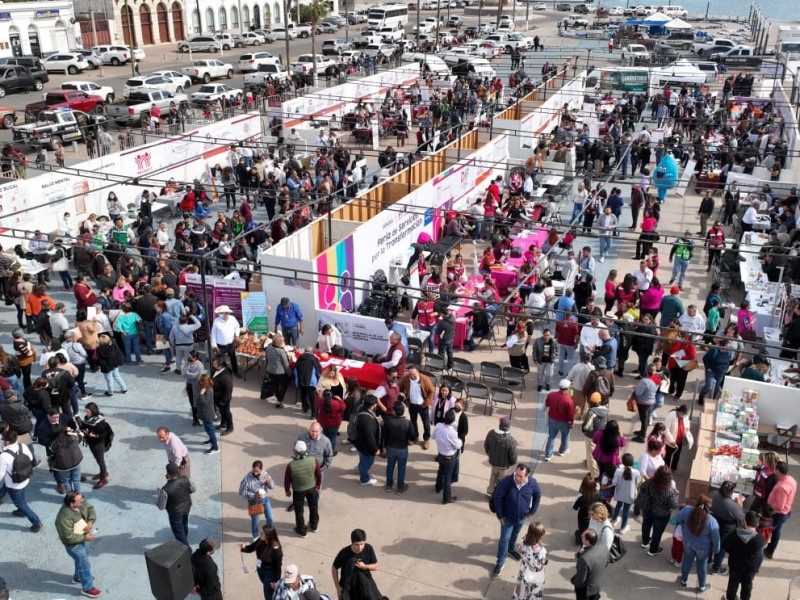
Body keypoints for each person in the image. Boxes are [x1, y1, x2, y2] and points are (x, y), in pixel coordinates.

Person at [491, 464, 542, 578]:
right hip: (507, 518)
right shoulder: (507, 481)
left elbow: (538, 495)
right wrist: (500, 515)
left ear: (526, 475)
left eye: (520, 476)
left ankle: (510, 549)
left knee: (515, 534)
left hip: (521, 518)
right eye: (516, 474)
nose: (517, 478)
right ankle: (500, 562)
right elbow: (497, 497)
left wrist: (532, 510)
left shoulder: (532, 483)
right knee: (504, 539)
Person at [55, 492, 103, 598]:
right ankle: (87, 588)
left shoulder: (80, 503)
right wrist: (85, 537)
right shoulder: (63, 518)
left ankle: (78, 577)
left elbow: (90, 508)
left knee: (82, 559)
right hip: (74, 545)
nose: (82, 500)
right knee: (84, 564)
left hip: (82, 538)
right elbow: (68, 538)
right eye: (79, 500)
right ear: (72, 504)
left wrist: (90, 522)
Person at [674, 494, 720, 593]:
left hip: (687, 541)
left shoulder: (687, 510)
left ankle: (683, 581)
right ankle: (702, 586)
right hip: (703, 547)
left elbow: (675, 519)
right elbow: (716, 538)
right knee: (702, 565)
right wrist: (716, 549)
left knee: (687, 560)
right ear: (709, 506)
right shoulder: (712, 521)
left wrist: (683, 525)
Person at [0, 430, 43, 533]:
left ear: (6, 442)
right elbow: (31, 458)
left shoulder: (3, 456)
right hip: (24, 478)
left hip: (13, 484)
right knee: (21, 497)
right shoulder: (22, 446)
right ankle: (20, 511)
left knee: (21, 503)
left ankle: (36, 522)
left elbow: (0, 474)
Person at [722, 510, 765, 600]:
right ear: (757, 525)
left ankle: (730, 598)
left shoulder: (734, 534)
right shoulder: (760, 539)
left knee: (733, 583)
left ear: (745, 521)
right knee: (747, 585)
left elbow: (726, 546)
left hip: (735, 565)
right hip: (750, 568)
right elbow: (760, 555)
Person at [283, 440, 321, 537]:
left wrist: (287, 490)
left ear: (294, 451)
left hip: (298, 491)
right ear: (306, 450)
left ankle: (302, 530)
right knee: (314, 507)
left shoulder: (291, 465)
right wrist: (318, 484)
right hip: (312, 488)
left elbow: (287, 480)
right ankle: (314, 526)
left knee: (299, 511)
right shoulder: (313, 460)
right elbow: (319, 474)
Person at [639, 466, 679, 556]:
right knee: (657, 532)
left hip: (649, 509)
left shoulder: (651, 482)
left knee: (646, 525)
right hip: (662, 515)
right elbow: (673, 505)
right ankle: (653, 550)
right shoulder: (670, 491)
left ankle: (645, 542)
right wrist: (676, 494)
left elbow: (642, 488)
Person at [331, 529, 381, 600]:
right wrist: (337, 586)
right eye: (357, 545)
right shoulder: (344, 553)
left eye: (362, 544)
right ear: (352, 543)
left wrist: (364, 566)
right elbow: (334, 567)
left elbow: (375, 567)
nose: (360, 547)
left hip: (364, 586)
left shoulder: (368, 548)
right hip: (348, 588)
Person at [710, 480, 745, 574]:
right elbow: (741, 519)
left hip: (712, 525)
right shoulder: (734, 507)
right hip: (725, 531)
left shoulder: (713, 495)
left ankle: (709, 559)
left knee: (711, 543)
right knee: (721, 549)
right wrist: (740, 506)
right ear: (731, 492)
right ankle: (716, 568)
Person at [764, 461, 797, 559]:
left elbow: (779, 506)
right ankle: (770, 549)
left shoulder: (782, 487)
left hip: (778, 514)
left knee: (766, 531)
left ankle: (765, 550)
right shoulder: (791, 479)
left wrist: (770, 511)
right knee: (777, 531)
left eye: (776, 469)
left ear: (779, 471)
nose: (774, 471)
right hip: (785, 511)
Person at [240, 526, 282, 600]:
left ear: (268, 535)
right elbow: (251, 548)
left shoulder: (275, 549)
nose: (260, 534)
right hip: (261, 570)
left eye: (262, 533)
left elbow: (278, 567)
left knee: (268, 595)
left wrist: (276, 581)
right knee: (267, 590)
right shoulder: (260, 540)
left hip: (270, 574)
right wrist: (243, 547)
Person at [381, 400, 414, 494]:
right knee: (401, 468)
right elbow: (413, 436)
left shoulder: (388, 422)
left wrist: (382, 447)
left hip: (390, 448)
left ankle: (389, 485)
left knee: (390, 467)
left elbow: (384, 435)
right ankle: (400, 487)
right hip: (402, 449)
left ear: (394, 411)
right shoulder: (408, 423)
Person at [399, 364, 435, 450]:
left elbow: (431, 391)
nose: (412, 376)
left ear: (418, 372)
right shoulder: (405, 379)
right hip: (412, 405)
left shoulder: (425, 379)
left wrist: (426, 403)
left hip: (423, 406)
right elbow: (401, 389)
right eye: (410, 374)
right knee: (413, 422)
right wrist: (404, 400)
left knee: (426, 424)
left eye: (413, 374)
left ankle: (426, 439)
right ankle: (415, 437)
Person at [78, 402, 113, 489]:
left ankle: (103, 478)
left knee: (100, 460)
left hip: (98, 444)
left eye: (88, 411)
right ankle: (103, 472)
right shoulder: (88, 418)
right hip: (91, 442)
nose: (86, 413)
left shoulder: (100, 422)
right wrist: (82, 428)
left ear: (93, 411)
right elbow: (85, 426)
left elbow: (104, 434)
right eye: (86, 411)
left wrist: (94, 435)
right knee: (97, 459)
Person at [239, 460, 275, 540]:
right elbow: (241, 492)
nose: (255, 473)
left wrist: (268, 482)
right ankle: (255, 536)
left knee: (270, 518)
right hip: (254, 502)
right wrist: (255, 495)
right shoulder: (247, 479)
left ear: (261, 469)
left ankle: (267, 532)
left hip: (264, 500)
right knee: (255, 522)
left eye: (257, 471)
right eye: (253, 471)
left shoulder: (265, 474)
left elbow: (272, 486)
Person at [158, 462, 193, 546]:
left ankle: (187, 549)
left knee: (179, 532)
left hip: (175, 513)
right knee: (184, 522)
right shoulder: (185, 479)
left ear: (167, 474)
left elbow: (161, 506)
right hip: (187, 507)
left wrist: (159, 496)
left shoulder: (165, 489)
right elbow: (193, 489)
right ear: (178, 471)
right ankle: (185, 535)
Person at [513, 522, 548, 600]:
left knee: (522, 587)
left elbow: (520, 550)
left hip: (524, 569)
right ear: (539, 536)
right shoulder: (541, 551)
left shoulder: (523, 540)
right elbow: (544, 562)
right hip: (535, 575)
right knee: (533, 592)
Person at [484, 416, 518, 495]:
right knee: (502, 481)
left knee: (493, 476)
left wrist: (490, 455)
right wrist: (511, 463)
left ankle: (490, 491)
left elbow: (486, 446)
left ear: (500, 425)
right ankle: (498, 494)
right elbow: (513, 457)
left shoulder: (491, 433)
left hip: (493, 462)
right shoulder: (511, 440)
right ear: (508, 427)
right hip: (504, 466)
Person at [432, 409, 461, 504]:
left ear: (444, 418)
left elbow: (433, 436)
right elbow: (458, 445)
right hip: (449, 457)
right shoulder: (452, 432)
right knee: (447, 477)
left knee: (440, 471)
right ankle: (447, 498)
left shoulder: (438, 426)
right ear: (452, 421)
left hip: (440, 454)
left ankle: (438, 487)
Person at [571, 529, 608, 600]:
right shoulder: (604, 546)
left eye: (582, 536)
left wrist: (574, 581)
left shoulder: (584, 559)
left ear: (587, 542)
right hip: (597, 585)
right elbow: (606, 562)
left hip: (586, 590)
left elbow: (580, 580)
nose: (581, 536)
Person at [543, 379, 575, 462]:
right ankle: (562, 451)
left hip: (552, 420)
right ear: (567, 389)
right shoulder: (569, 401)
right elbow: (571, 414)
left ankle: (548, 455)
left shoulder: (551, 395)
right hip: (564, 422)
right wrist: (572, 422)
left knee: (551, 437)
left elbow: (547, 404)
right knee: (565, 436)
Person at [353, 396, 381, 485]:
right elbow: (370, 437)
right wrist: (375, 449)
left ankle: (360, 469)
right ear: (372, 405)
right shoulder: (367, 420)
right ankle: (364, 479)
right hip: (366, 446)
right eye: (376, 403)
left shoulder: (361, 409)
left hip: (360, 442)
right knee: (368, 461)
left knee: (362, 459)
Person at [611, 453, 641, 534]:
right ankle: (623, 528)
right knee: (626, 511)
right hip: (630, 495)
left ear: (623, 462)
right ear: (632, 462)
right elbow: (637, 482)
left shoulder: (618, 470)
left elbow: (614, 482)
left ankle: (613, 521)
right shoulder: (636, 472)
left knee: (618, 506)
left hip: (620, 493)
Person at [210, 305, 240, 377]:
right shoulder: (216, 321)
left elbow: (237, 327)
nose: (222, 314)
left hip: (231, 344)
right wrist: (214, 345)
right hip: (220, 346)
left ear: (227, 313)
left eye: (223, 313)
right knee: (220, 360)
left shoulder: (232, 319)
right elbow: (213, 334)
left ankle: (235, 371)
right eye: (221, 313)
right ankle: (217, 375)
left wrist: (237, 335)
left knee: (233, 358)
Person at [663, 404, 693, 472]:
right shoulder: (670, 416)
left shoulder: (685, 416)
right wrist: (671, 440)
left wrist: (687, 430)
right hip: (671, 441)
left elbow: (688, 423)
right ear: (679, 411)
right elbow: (666, 429)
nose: (683, 416)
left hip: (679, 440)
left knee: (677, 455)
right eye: (682, 414)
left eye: (684, 415)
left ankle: (674, 468)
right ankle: (666, 471)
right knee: (668, 456)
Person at [265, 334, 291, 409]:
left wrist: (266, 369)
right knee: (284, 386)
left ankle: (278, 399)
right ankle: (280, 400)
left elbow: (266, 360)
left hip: (270, 370)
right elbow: (286, 364)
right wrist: (289, 373)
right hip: (280, 372)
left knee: (275, 385)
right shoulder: (281, 351)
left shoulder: (268, 348)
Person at [295, 348, 322, 418]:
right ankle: (313, 414)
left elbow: (295, 370)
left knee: (303, 395)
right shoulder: (313, 358)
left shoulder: (299, 358)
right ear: (311, 352)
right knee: (312, 398)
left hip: (301, 380)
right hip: (311, 382)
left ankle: (305, 408)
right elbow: (319, 371)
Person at [195, 374, 219, 454]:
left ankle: (215, 447)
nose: (199, 382)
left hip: (207, 414)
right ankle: (211, 440)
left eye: (201, 381)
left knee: (210, 429)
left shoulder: (208, 390)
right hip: (204, 413)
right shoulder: (205, 388)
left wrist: (201, 394)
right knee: (207, 428)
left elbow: (205, 403)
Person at [211, 357, 234, 435]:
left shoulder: (225, 377)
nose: (213, 365)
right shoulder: (216, 371)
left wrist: (223, 401)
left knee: (226, 412)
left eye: (214, 364)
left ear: (220, 366)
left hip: (223, 398)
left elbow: (228, 390)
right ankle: (223, 423)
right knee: (222, 411)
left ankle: (230, 427)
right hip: (217, 396)